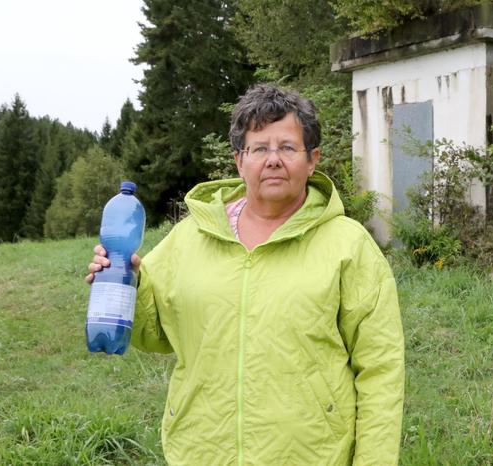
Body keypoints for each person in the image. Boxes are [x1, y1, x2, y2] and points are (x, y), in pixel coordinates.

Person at [86, 84, 404, 465]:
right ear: (240, 161)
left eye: (287, 147)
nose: (273, 160)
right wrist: (127, 286)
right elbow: (154, 334)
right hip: (201, 452)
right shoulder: (189, 237)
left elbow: (381, 372)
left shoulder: (348, 246)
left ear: (312, 159)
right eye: (259, 148)